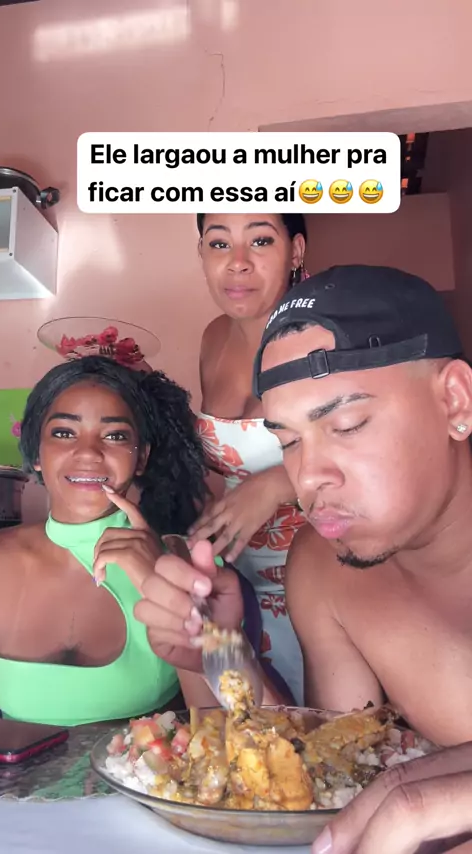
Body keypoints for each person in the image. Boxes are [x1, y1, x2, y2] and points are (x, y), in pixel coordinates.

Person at [126, 264, 472, 852]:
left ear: (454, 400)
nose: (308, 477)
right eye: (286, 442)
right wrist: (218, 649)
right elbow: (335, 769)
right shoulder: (323, 566)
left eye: (347, 425)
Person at [0, 355, 210, 727]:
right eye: (64, 433)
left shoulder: (191, 563)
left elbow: (231, 728)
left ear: (141, 458)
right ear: (36, 452)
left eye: (115, 435)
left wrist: (162, 587)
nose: (89, 452)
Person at [188, 212, 309, 704]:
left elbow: (381, 454)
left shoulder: (327, 334)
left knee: (331, 724)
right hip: (236, 582)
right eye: (219, 244)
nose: (237, 262)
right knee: (249, 727)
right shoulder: (213, 337)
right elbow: (223, 459)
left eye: (260, 240)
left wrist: (278, 483)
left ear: (295, 251)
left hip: (323, 575)